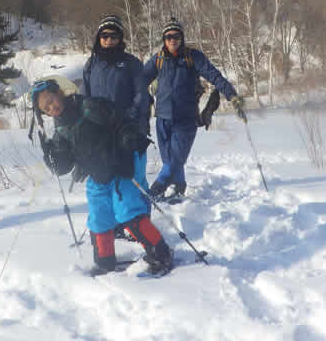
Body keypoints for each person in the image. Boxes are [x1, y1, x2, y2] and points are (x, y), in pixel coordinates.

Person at [32, 80, 174, 275]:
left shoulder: (89, 107)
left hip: (123, 161)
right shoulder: (60, 130)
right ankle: (104, 261)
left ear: (59, 92)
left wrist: (125, 148)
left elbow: (123, 123)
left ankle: (161, 254)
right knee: (99, 215)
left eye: (51, 100)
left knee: (127, 211)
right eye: (45, 108)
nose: (51, 107)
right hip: (99, 172)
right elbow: (63, 167)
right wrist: (51, 155)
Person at [143, 17, 246, 201]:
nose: (172, 40)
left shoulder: (193, 57)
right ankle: (178, 187)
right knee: (169, 160)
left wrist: (233, 96)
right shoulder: (158, 59)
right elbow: (139, 81)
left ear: (181, 37)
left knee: (173, 163)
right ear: (164, 39)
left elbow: (215, 77)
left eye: (175, 36)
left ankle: (151, 194)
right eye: (168, 37)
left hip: (186, 119)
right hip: (162, 119)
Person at [82, 14, 151, 238]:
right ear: (98, 38)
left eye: (114, 36)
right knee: (108, 178)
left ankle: (140, 224)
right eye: (105, 35)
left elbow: (141, 95)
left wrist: (127, 117)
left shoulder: (131, 63)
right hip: (101, 135)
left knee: (135, 179)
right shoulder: (91, 64)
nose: (109, 40)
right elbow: (85, 98)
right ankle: (115, 225)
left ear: (121, 38)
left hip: (130, 131)